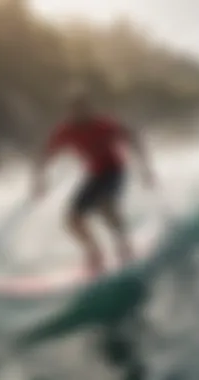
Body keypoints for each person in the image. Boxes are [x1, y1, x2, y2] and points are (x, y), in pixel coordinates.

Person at [32, 93, 156, 276]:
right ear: (70, 113)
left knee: (106, 205)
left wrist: (145, 169)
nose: (80, 114)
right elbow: (45, 154)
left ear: (89, 110)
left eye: (83, 110)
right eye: (75, 111)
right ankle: (95, 253)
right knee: (72, 219)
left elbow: (133, 138)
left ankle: (124, 245)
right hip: (95, 175)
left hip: (114, 170)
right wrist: (39, 180)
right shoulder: (66, 130)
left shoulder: (104, 124)